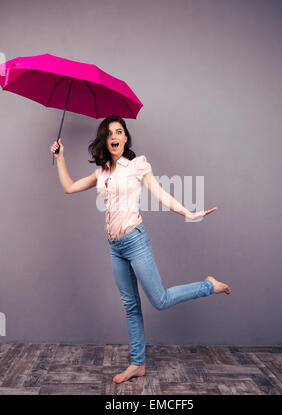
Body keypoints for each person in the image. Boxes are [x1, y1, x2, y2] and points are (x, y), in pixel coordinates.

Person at [50, 115, 231, 384]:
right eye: (110, 132)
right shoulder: (101, 172)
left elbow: (161, 194)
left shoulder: (136, 166)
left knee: (159, 299)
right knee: (131, 306)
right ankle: (137, 364)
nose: (114, 136)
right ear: (105, 139)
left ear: (125, 138)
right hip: (115, 247)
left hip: (135, 241)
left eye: (119, 132)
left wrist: (189, 213)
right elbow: (68, 187)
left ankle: (208, 285)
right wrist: (60, 157)